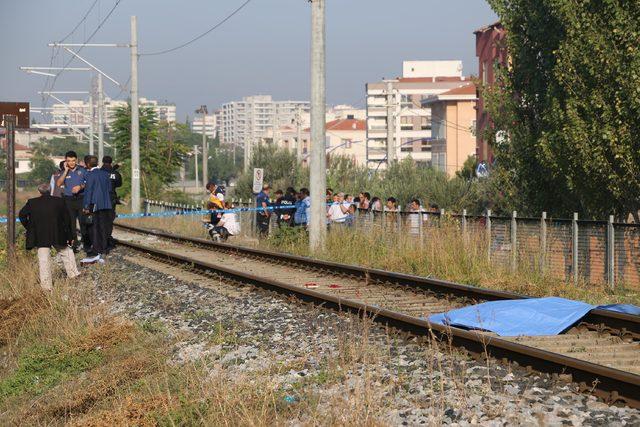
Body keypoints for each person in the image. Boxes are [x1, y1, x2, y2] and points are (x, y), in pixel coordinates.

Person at [18, 183, 80, 291]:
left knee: (43, 260)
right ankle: (74, 274)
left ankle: (46, 286)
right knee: (66, 252)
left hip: (41, 236)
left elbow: (22, 215)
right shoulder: (59, 201)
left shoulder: (32, 203)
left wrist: (30, 228)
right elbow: (67, 219)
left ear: (39, 192)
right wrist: (70, 235)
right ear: (50, 190)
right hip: (58, 234)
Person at [81, 155, 113, 264]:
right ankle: (104, 249)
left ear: (87, 164)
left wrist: (86, 206)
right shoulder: (105, 174)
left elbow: (88, 191)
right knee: (104, 227)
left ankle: (96, 249)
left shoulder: (89, 175)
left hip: (94, 204)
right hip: (106, 204)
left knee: (94, 228)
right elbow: (109, 189)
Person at [57, 151, 88, 252]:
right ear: (66, 161)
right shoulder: (63, 171)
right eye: (69, 161)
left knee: (83, 222)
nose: (71, 163)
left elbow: (89, 183)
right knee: (71, 223)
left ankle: (86, 243)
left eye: (73, 161)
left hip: (81, 199)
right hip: (69, 200)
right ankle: (74, 243)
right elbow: (58, 183)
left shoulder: (82, 170)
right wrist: (65, 171)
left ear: (76, 160)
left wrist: (81, 186)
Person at [101, 156, 122, 251]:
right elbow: (119, 184)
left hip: (100, 199)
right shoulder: (115, 173)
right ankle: (107, 238)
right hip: (111, 199)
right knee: (109, 220)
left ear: (102, 162)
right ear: (111, 162)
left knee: (100, 219)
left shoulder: (98, 172)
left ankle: (100, 239)